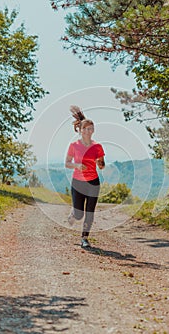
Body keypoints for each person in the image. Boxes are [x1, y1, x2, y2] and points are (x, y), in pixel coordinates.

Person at [65, 105, 105, 248]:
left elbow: (101, 165)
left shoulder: (98, 146)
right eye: (86, 129)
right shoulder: (74, 146)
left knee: (90, 211)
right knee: (79, 214)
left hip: (93, 182)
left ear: (93, 130)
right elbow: (67, 163)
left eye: (91, 128)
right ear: (80, 130)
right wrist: (77, 166)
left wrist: (100, 162)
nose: (88, 131)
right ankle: (73, 214)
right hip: (78, 182)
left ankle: (84, 238)